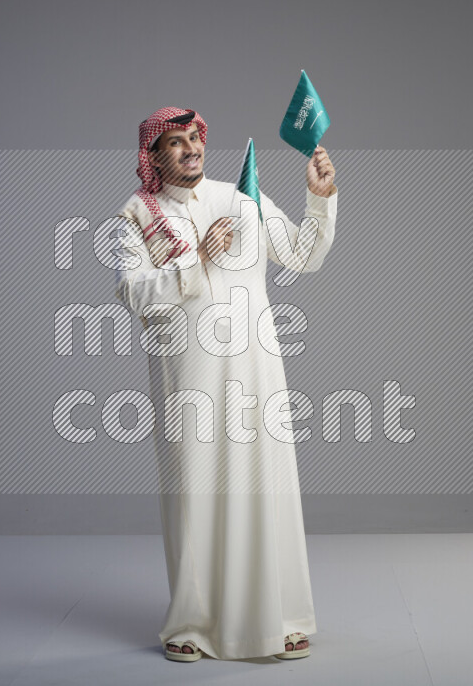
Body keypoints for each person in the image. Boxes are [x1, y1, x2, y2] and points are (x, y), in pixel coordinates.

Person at [113, 106, 337, 662]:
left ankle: (282, 617)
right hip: (187, 377)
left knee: (268, 485)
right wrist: (197, 260)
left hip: (257, 369)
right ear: (152, 155)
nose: (191, 148)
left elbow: (303, 255)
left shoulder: (243, 198)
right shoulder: (136, 216)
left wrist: (319, 199)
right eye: (175, 142)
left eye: (195, 138)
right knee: (196, 495)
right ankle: (192, 625)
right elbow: (134, 293)